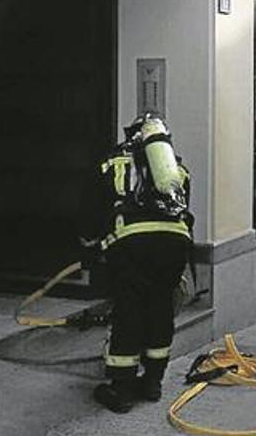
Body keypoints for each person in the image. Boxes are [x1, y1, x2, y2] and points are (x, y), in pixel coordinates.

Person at [79, 113, 193, 413]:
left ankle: (121, 388)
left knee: (128, 310)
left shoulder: (112, 162)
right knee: (160, 307)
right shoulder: (176, 167)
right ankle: (153, 382)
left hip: (131, 245)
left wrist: (89, 243)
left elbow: (92, 207)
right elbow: (183, 207)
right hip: (173, 245)